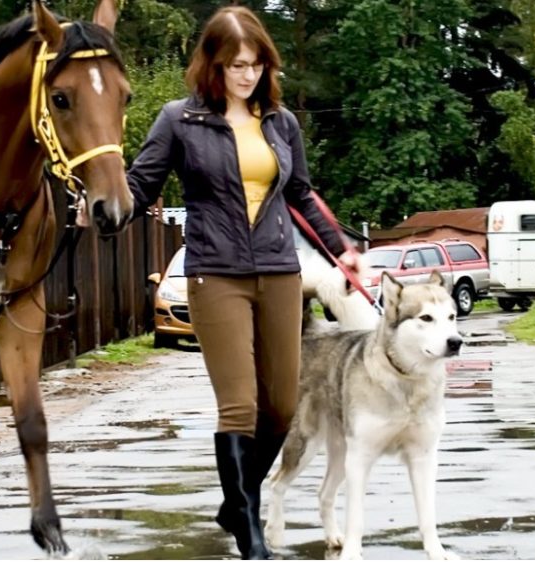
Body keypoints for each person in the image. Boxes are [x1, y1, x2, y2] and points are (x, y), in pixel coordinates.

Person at [126, 6, 361, 559]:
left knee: (280, 406)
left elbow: (301, 195)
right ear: (212, 64)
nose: (247, 75)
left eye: (255, 64)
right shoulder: (178, 119)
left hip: (280, 271)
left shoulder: (281, 122)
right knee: (239, 405)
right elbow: (139, 186)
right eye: (235, 65)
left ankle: (237, 498)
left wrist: (344, 251)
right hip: (215, 272)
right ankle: (250, 530)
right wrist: (104, 205)